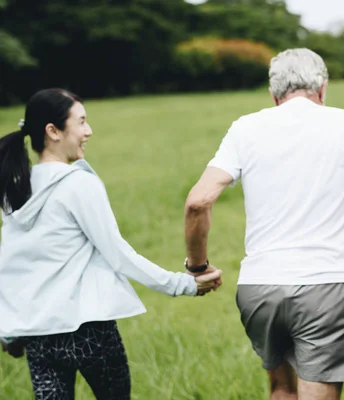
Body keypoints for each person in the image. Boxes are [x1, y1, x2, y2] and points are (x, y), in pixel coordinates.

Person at [184, 48, 344, 400]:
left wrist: (197, 265)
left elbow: (198, 201)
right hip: (324, 287)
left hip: (259, 287)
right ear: (323, 88)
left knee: (281, 389)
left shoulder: (245, 128)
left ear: (274, 96)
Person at [0, 88, 222, 400]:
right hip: (89, 331)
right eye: (81, 122)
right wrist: (182, 285)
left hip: (39, 336)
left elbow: (11, 265)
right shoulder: (78, 184)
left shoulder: (16, 186)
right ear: (53, 131)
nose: (88, 131)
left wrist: (9, 330)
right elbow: (118, 254)